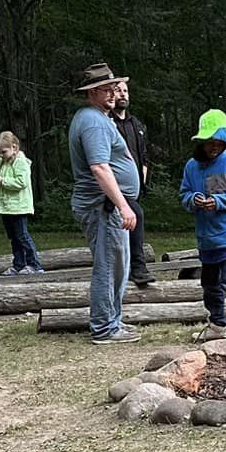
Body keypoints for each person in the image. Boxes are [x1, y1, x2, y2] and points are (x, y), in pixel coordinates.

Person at [68, 63, 140, 344]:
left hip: (106, 206)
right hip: (103, 207)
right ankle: (104, 328)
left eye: (113, 88)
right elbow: (99, 167)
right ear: (92, 93)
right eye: (105, 89)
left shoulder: (97, 118)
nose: (112, 93)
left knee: (117, 265)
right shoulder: (92, 122)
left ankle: (113, 322)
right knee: (109, 266)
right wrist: (123, 205)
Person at [179, 110, 226, 343]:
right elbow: (184, 193)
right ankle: (217, 324)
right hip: (206, 237)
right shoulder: (192, 166)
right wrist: (194, 200)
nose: (214, 146)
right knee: (209, 283)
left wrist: (218, 201)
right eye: (209, 142)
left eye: (219, 142)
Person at [113, 80, 155, 289]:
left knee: (131, 224)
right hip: (115, 189)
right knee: (135, 217)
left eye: (125, 91)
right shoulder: (107, 123)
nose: (122, 94)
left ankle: (130, 268)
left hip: (135, 188)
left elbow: (143, 156)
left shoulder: (135, 124)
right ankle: (138, 268)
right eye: (118, 90)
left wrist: (142, 181)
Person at [0, 131, 42, 276]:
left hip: (19, 207)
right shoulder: (0, 162)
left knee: (22, 236)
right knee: (13, 237)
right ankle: (18, 264)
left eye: (4, 151)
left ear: (14, 147)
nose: (1, 155)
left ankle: (34, 264)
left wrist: (2, 181)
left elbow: (21, 182)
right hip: (5, 207)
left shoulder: (20, 163)